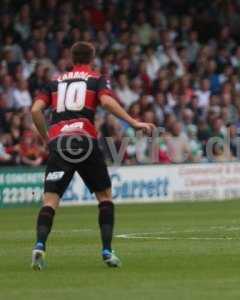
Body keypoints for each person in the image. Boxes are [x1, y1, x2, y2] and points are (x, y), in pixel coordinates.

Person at [30, 42, 155, 270]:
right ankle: (107, 251)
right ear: (92, 57)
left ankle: (39, 246)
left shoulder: (53, 82)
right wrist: (134, 122)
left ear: (71, 57)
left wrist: (47, 137)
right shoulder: (97, 79)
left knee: (50, 201)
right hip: (84, 140)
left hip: (60, 142)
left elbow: (35, 110)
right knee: (105, 197)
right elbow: (106, 102)